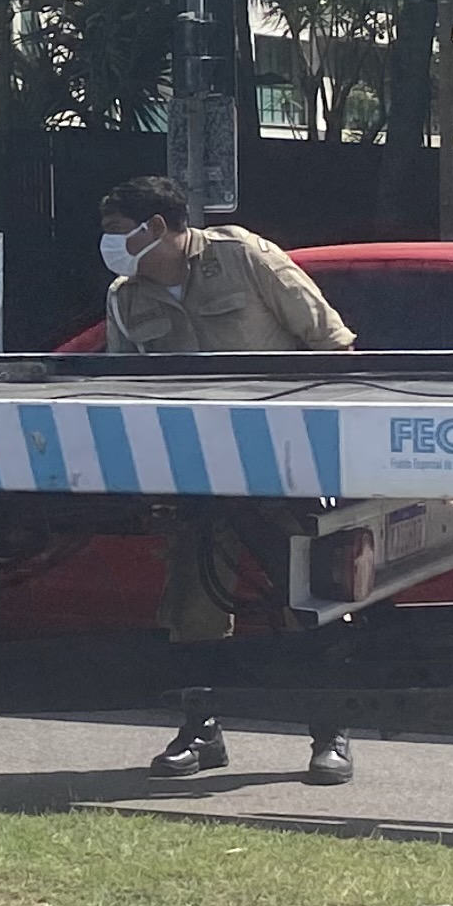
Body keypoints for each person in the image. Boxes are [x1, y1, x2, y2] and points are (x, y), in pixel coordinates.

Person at [94, 172, 363, 788]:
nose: (108, 245)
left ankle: (330, 732)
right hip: (195, 474)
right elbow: (121, 389)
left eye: (116, 231)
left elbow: (333, 346)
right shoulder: (125, 297)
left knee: (308, 599)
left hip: (285, 463)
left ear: (155, 228)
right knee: (192, 603)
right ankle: (201, 731)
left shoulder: (243, 257)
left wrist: (321, 450)